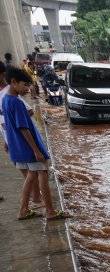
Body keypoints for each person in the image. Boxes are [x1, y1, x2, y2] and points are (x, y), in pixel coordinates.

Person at [2, 67, 66, 220]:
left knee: (30, 177)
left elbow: (6, 125)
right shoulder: (16, 102)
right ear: (13, 82)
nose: (27, 89)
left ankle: (23, 210)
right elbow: (24, 129)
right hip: (29, 148)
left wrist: (8, 143)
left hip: (18, 148)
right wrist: (36, 150)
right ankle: (50, 211)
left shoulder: (5, 99)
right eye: (25, 85)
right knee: (42, 173)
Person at [0, 62, 41, 205]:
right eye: (25, 86)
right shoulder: (10, 97)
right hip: (15, 138)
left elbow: (28, 112)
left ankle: (33, 200)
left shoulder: (8, 95)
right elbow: (21, 125)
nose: (27, 89)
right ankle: (29, 204)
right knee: (30, 171)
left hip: (17, 138)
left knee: (30, 172)